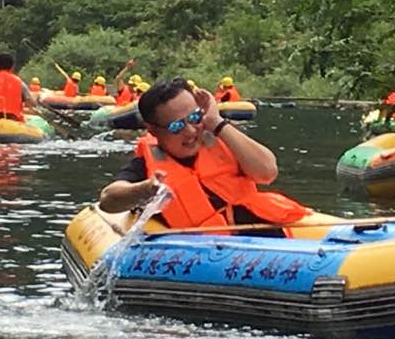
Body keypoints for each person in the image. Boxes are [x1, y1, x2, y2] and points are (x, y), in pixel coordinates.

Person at [98, 78, 309, 231]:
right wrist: (145, 189)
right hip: (203, 253)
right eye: (177, 126)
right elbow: (108, 199)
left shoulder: (223, 139)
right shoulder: (147, 165)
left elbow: (267, 172)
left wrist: (216, 122)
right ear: (153, 130)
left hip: (262, 239)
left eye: (195, 117)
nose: (191, 131)